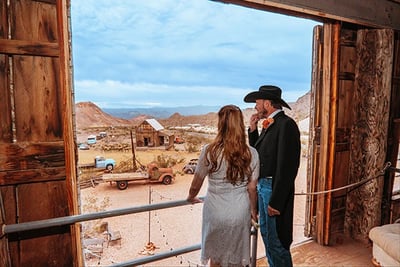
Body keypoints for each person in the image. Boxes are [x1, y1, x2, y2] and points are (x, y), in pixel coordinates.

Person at [186, 104, 260, 267]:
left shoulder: (209, 151)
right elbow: (252, 188)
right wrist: (253, 211)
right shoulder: (251, 153)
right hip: (240, 212)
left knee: (216, 258)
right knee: (237, 256)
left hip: (215, 211)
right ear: (240, 124)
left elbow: (196, 182)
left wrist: (191, 197)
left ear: (221, 124)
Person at [244, 85, 301, 267]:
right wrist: (253, 131)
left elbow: (288, 166)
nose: (255, 107)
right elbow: (259, 155)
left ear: (268, 104)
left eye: (257, 103)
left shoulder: (287, 125)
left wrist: (276, 201)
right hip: (263, 187)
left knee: (277, 241)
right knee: (267, 236)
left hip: (272, 189)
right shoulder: (270, 125)